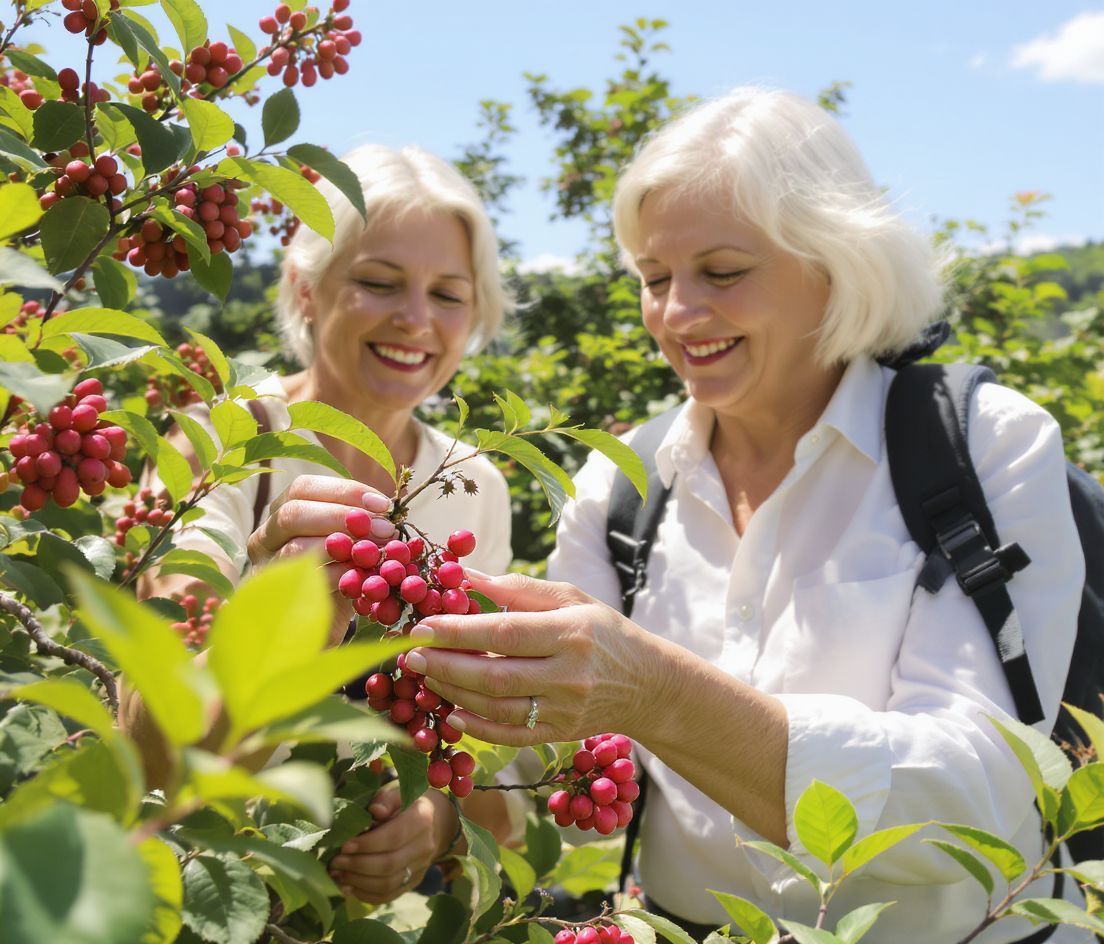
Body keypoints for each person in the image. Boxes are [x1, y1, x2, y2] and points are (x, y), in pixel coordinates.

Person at [393, 88, 1087, 941]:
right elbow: (555, 745)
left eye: (722, 272)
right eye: (653, 278)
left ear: (836, 261)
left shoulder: (985, 445)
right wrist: (431, 798)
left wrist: (663, 697)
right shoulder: (621, 484)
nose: (676, 313)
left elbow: (977, 798)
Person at [123, 143, 516, 904]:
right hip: (201, 887)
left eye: (450, 294)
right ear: (305, 288)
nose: (416, 319)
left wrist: (433, 819)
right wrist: (280, 616)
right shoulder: (224, 443)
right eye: (378, 282)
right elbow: (153, 748)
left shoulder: (476, 486)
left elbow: (495, 760)